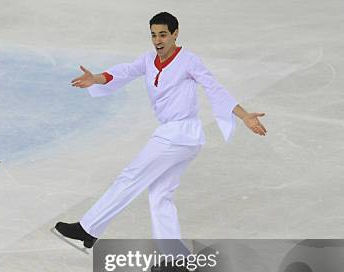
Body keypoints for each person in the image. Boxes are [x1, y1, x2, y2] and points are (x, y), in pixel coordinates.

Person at [54, 11, 267, 251]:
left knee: (131, 176)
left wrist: (244, 115)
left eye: (163, 35)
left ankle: (87, 228)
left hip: (177, 135)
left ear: (175, 34)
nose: (158, 40)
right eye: (154, 35)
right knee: (160, 195)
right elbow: (123, 72)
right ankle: (174, 257)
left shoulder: (188, 60)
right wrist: (96, 78)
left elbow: (214, 88)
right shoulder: (148, 60)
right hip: (183, 138)